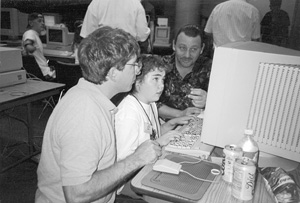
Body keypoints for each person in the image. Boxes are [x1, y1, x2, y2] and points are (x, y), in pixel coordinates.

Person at [35, 26, 161, 203]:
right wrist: (137, 159)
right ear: (113, 73)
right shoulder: (85, 113)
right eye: (134, 65)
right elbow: (77, 194)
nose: (138, 71)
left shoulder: (89, 96)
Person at [116, 54, 193, 161]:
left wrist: (171, 123)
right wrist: (158, 143)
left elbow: (151, 134)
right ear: (137, 81)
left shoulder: (150, 103)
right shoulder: (129, 114)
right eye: (155, 79)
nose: (161, 85)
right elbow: (123, 159)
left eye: (162, 79)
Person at [158, 24, 212, 120]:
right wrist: (181, 114)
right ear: (174, 45)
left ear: (202, 49)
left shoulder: (211, 69)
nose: (187, 55)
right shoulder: (160, 66)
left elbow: (226, 101)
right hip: (163, 126)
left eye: (193, 49)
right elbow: (148, 102)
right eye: (182, 48)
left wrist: (210, 100)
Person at [80, 0, 150, 43]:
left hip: (102, 54)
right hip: (127, 53)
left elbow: (87, 34)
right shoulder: (135, 4)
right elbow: (142, 35)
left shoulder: (96, 3)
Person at [22, 13, 56, 81]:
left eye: (43, 21)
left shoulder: (34, 34)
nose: (43, 23)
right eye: (39, 21)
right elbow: (28, 46)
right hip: (43, 72)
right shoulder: (30, 33)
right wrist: (33, 49)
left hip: (42, 70)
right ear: (31, 23)